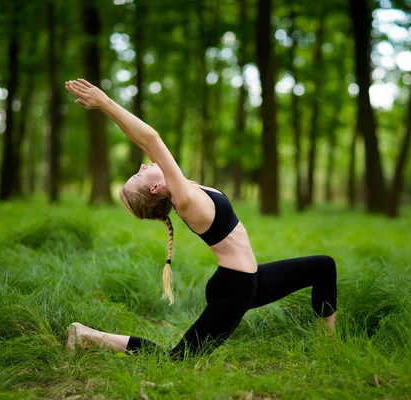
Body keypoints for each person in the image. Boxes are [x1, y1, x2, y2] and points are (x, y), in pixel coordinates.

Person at [64, 78, 337, 359]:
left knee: (324, 267)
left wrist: (105, 110)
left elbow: (140, 138)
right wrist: (106, 102)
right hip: (235, 289)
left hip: (253, 280)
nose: (143, 164)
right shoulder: (185, 200)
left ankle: (328, 347)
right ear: (156, 189)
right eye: (138, 175)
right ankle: (87, 334)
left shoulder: (181, 186)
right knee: (174, 360)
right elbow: (150, 138)